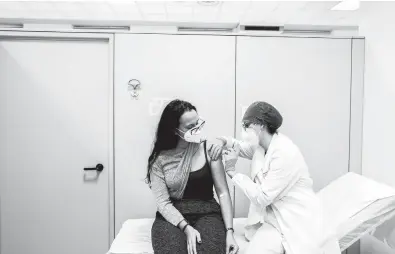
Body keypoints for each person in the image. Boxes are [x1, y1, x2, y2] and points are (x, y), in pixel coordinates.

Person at [217, 101, 341, 254]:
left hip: (298, 220)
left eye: (247, 125)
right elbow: (241, 147)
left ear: (260, 125)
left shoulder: (285, 152)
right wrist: (223, 141)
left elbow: (262, 197)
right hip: (275, 220)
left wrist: (232, 172)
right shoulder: (261, 145)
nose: (244, 130)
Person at [147, 99, 239, 254]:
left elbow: (222, 192)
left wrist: (230, 231)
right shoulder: (159, 159)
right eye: (190, 127)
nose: (197, 129)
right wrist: (186, 227)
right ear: (174, 130)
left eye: (198, 123)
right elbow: (163, 203)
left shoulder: (209, 149)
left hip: (208, 213)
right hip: (172, 217)